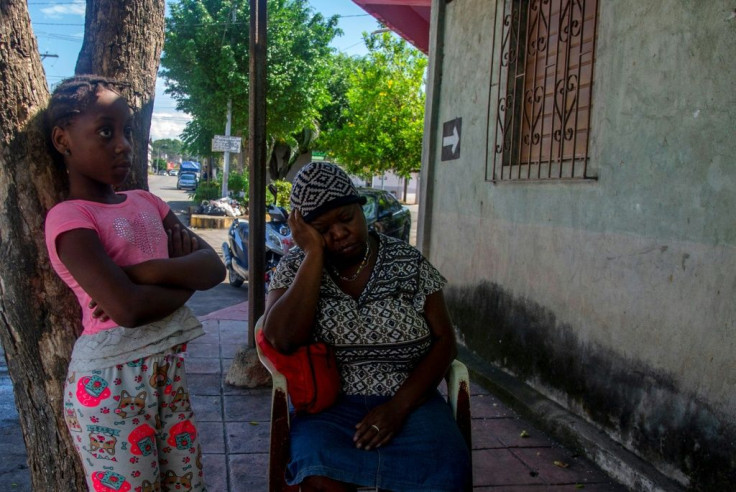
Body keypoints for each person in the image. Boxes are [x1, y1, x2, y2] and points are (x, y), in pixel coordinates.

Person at [43, 75, 225, 491]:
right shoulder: (70, 218)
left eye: (127, 131)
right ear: (62, 139)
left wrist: (137, 273)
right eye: (105, 132)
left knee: (187, 485)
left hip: (168, 373)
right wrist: (178, 274)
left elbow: (214, 269)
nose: (123, 144)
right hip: (108, 384)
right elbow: (128, 310)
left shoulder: (147, 201)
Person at [262, 162, 471, 491]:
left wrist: (398, 407)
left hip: (411, 399)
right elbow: (281, 339)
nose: (339, 233)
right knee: (319, 474)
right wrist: (313, 255)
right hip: (329, 408)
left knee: (443, 471)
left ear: (361, 209)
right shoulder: (295, 267)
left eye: (346, 219)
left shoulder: (407, 261)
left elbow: (445, 341)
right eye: (322, 229)